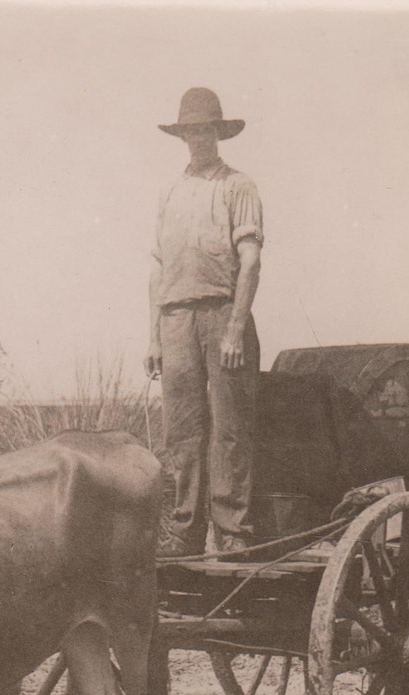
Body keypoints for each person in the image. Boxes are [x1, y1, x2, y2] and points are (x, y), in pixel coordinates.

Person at [145, 87, 264, 557]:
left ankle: (233, 531)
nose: (199, 138)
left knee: (230, 427)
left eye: (206, 130)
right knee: (183, 430)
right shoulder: (170, 192)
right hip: (175, 320)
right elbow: (157, 271)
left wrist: (235, 326)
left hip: (222, 314)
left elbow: (250, 262)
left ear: (219, 132)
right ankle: (185, 530)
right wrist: (153, 336)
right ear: (182, 135)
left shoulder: (238, 186)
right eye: (191, 130)